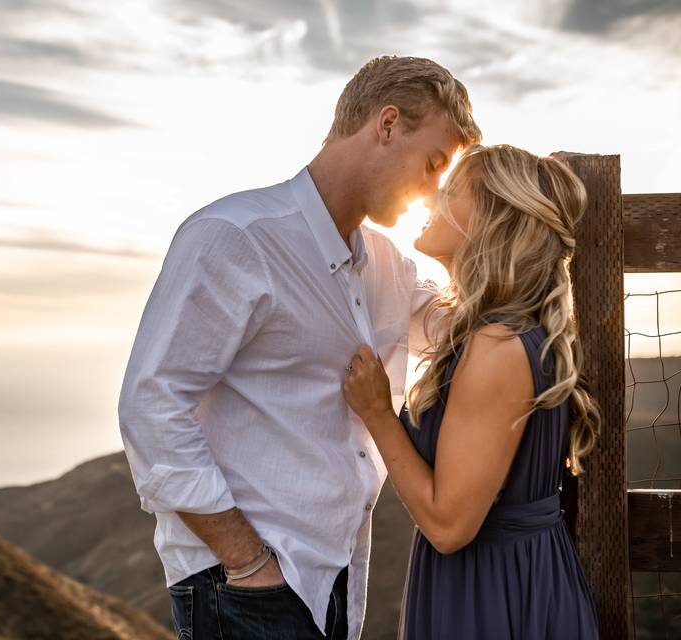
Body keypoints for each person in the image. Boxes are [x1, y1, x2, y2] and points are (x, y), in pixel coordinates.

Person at [117, 55, 481, 640]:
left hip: (335, 574)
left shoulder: (387, 265)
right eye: (434, 164)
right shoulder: (235, 237)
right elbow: (150, 406)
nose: (434, 191)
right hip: (246, 583)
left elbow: (466, 334)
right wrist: (247, 562)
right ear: (387, 125)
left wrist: (483, 241)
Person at [342, 144, 601, 639]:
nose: (435, 196)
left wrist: (378, 413)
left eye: (455, 188)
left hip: (495, 598)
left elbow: (447, 525)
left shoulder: (498, 345)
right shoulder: (494, 330)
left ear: (492, 220)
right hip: (509, 583)